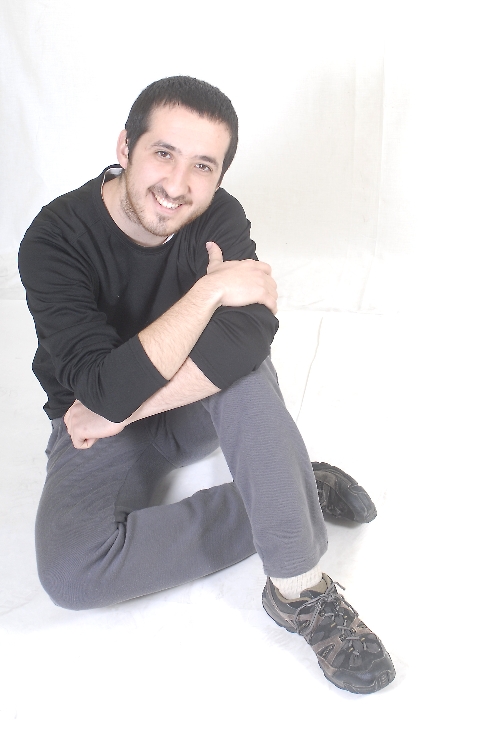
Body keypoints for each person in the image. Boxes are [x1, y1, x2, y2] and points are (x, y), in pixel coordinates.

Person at [18, 76, 395, 694]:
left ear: (219, 176)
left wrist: (123, 407)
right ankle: (298, 492)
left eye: (202, 165)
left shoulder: (220, 217)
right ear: (125, 147)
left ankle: (299, 589)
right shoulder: (55, 237)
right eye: (163, 153)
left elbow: (249, 338)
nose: (177, 184)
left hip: (173, 407)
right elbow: (99, 389)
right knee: (72, 573)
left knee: (243, 372)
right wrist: (212, 290)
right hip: (93, 429)